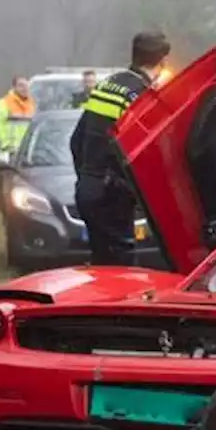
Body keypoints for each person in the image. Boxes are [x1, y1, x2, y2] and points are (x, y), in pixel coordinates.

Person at [69, 31, 171, 266]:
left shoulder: (107, 84)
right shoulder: (140, 97)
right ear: (162, 61)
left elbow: (76, 140)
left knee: (101, 264)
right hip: (111, 198)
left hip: (88, 191)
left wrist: (87, 177)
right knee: (121, 266)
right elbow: (142, 156)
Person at [0, 76, 36, 157]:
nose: (24, 88)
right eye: (21, 85)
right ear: (14, 87)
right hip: (11, 150)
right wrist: (5, 143)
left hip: (29, 151)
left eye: (26, 86)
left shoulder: (32, 104)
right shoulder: (3, 103)